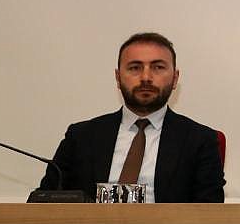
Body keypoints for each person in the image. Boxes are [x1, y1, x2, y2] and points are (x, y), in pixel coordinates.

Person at [39, 32, 225, 202]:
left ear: (175, 78)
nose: (146, 77)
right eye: (135, 68)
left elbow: (210, 213)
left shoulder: (200, 140)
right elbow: (44, 201)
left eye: (158, 67)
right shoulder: (81, 137)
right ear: (118, 77)